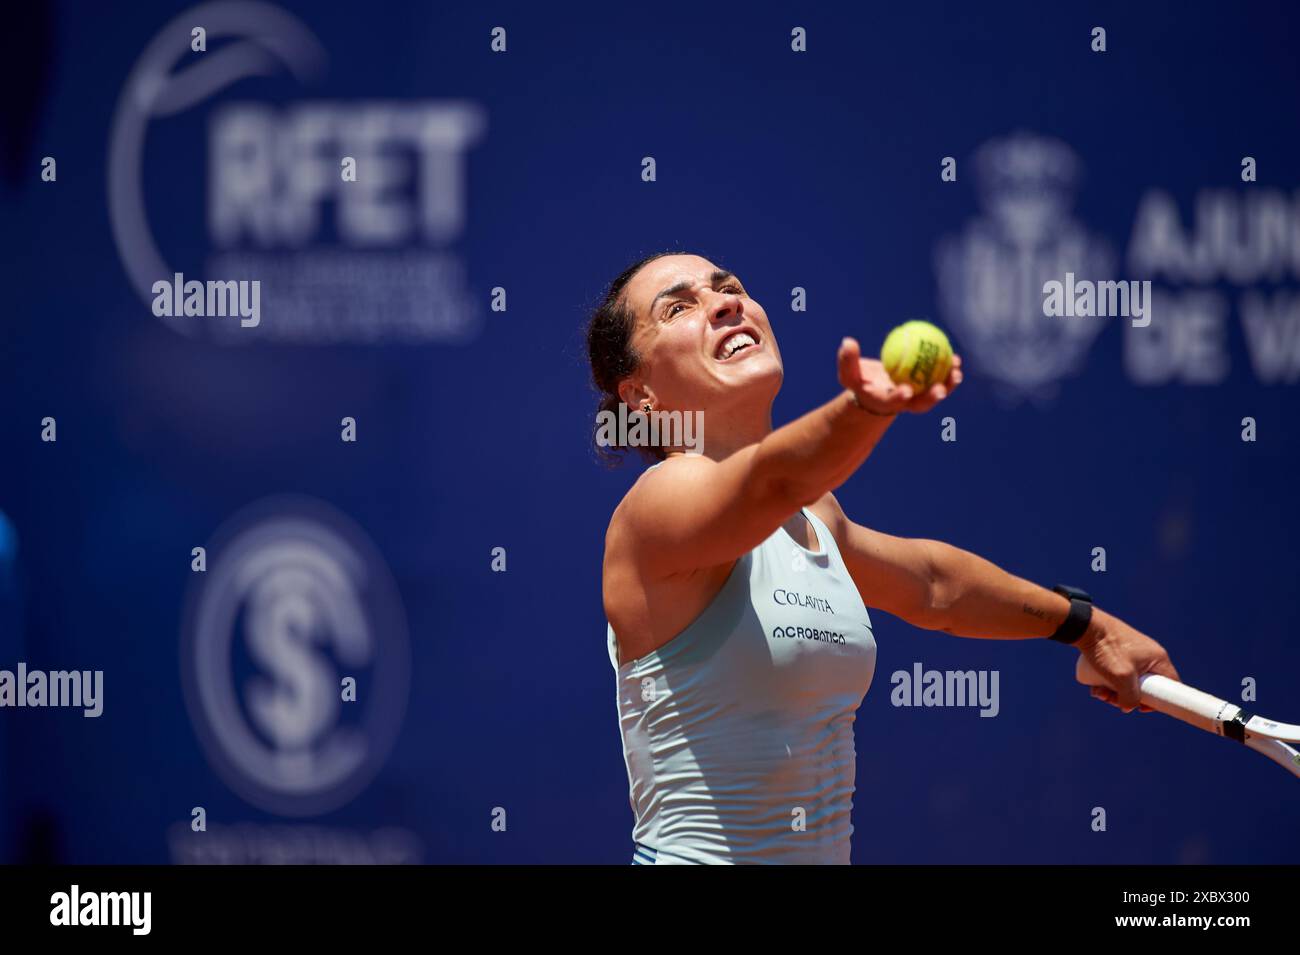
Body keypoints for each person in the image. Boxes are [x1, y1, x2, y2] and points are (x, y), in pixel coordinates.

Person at [586, 251, 1179, 865]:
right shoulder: (659, 503)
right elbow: (770, 481)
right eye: (679, 307)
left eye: (727, 286)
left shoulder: (815, 512)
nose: (724, 303)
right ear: (641, 396)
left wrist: (1088, 626)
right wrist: (866, 407)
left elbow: (933, 584)